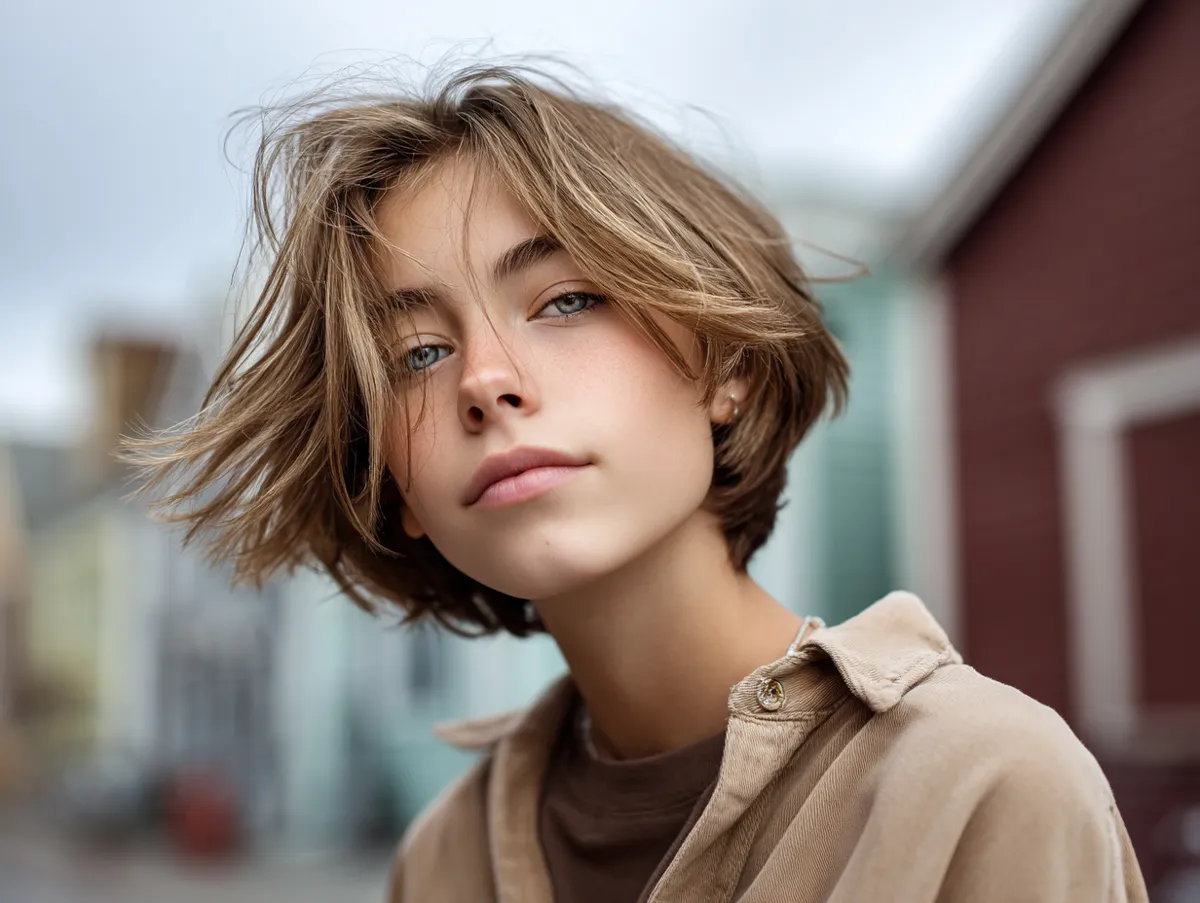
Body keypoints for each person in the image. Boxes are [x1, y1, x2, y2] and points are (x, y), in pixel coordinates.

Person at [128, 64, 1148, 902]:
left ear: (727, 367)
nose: (486, 379)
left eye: (567, 299)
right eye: (418, 356)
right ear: (393, 481)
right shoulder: (441, 862)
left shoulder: (983, 785)